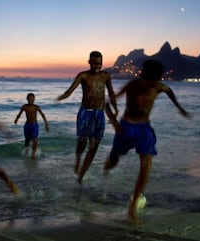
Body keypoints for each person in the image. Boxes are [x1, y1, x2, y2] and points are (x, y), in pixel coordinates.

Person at [103, 60, 190, 224]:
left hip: (144, 129)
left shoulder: (158, 86)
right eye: (150, 80)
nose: (152, 84)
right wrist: (114, 122)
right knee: (113, 162)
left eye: (155, 81)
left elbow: (169, 90)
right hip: (126, 128)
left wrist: (179, 107)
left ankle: (132, 207)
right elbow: (106, 103)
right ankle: (108, 166)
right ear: (144, 75)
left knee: (146, 166)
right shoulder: (132, 85)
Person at [57, 51, 118, 184]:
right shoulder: (83, 75)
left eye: (99, 63)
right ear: (89, 62)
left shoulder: (105, 76)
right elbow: (70, 90)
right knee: (82, 141)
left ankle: (81, 176)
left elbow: (111, 93)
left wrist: (115, 109)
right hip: (85, 112)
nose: (97, 65)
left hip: (99, 113)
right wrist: (61, 97)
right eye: (95, 63)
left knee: (94, 145)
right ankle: (78, 159)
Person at [14, 93, 50, 159]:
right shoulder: (24, 107)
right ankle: (26, 151)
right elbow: (19, 114)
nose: (31, 100)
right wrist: (16, 119)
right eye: (29, 98)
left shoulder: (36, 107)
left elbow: (42, 115)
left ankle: (33, 154)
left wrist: (46, 124)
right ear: (27, 99)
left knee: (35, 140)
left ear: (34, 99)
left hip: (34, 125)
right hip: (27, 125)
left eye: (32, 98)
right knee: (27, 140)